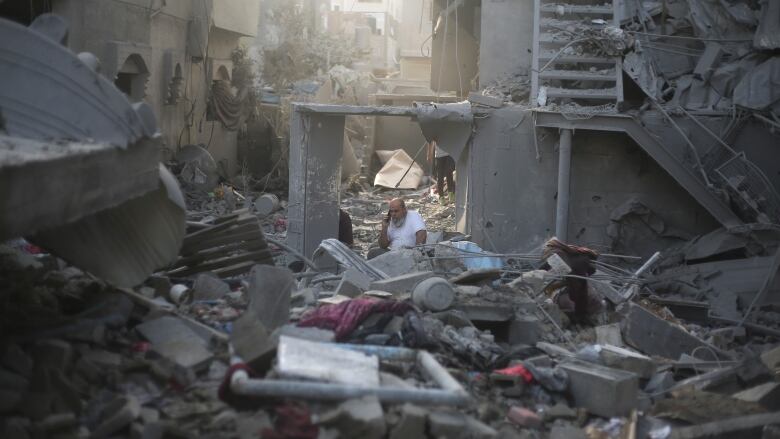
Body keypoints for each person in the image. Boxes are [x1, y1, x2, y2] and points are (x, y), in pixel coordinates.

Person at [427, 140, 455, 204]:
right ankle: (441, 197)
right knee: (440, 176)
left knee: (449, 172)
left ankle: (450, 194)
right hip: (439, 155)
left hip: (449, 153)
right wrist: (429, 153)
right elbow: (429, 140)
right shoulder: (433, 130)